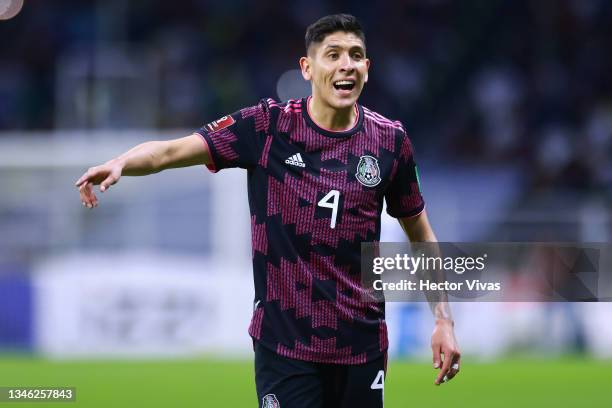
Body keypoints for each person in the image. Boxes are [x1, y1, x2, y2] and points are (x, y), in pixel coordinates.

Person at [76, 13, 460, 408]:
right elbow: (172, 150)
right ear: (308, 68)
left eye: (355, 55)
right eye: (333, 55)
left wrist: (443, 321)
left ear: (367, 68)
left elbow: (422, 236)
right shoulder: (267, 127)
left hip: (362, 348)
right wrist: (122, 161)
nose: (346, 64)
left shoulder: (389, 141)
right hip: (285, 347)